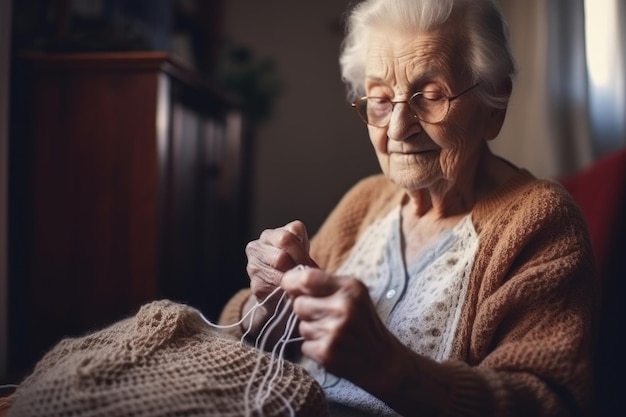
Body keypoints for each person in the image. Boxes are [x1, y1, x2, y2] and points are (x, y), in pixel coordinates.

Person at [219, 0, 596, 416]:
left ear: (495, 103)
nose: (397, 129)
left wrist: (391, 369)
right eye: (379, 99)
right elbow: (243, 328)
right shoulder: (367, 200)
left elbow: (546, 401)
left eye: (430, 96)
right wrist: (269, 304)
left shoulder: (540, 221)